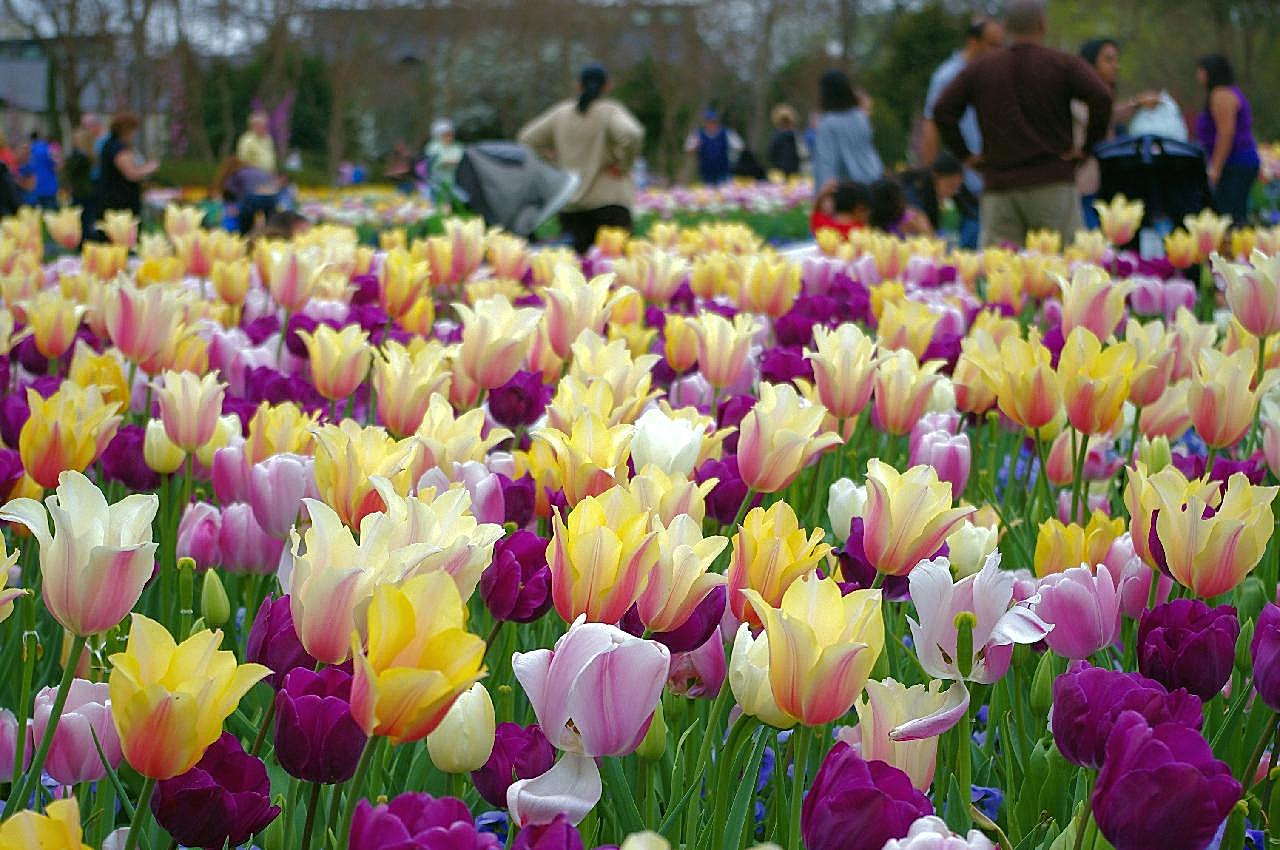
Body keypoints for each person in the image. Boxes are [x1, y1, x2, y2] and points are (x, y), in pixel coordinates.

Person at [933, 0, 1112, 247]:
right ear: (1042, 24)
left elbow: (943, 110)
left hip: (1000, 186)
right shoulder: (1062, 64)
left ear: (1005, 27)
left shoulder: (981, 69)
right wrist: (1086, 148)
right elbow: (1101, 96)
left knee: (1003, 273)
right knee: (1062, 268)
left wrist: (966, 155)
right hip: (1052, 182)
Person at [517, 61, 644, 254]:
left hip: (571, 204)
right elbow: (632, 134)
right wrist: (622, 164)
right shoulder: (609, 112)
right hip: (610, 201)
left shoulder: (561, 114)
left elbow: (526, 139)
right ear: (607, 85)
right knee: (616, 269)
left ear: (578, 85)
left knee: (579, 270)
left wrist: (553, 162)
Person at [1073, 39, 1167, 227]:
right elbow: (1099, 118)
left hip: (1109, 184)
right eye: (1109, 60)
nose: (1116, 66)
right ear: (1090, 64)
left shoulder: (1105, 95)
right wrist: (1136, 103)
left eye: (1116, 60)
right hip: (1085, 186)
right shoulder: (1077, 95)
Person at [1195, 54, 1259, 224]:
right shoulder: (1228, 92)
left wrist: (1215, 169)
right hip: (1240, 161)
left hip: (1235, 162)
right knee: (1235, 213)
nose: (1198, 76)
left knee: (1228, 215)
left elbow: (1226, 133)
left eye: (1201, 71)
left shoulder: (1221, 95)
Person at [812, 69, 884, 192]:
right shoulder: (860, 117)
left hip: (848, 190)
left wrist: (822, 193)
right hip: (874, 179)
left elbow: (826, 162)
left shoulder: (828, 124)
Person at [93, 112, 158, 221]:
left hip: (115, 199)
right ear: (126, 130)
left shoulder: (110, 144)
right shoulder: (117, 148)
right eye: (133, 131)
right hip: (119, 202)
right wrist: (150, 167)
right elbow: (131, 174)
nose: (134, 135)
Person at [900, 153, 974, 235]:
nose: (953, 191)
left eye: (957, 187)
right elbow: (911, 217)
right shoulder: (913, 194)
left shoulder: (953, 198)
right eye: (949, 185)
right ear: (935, 177)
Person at [213, 156, 285, 235]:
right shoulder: (255, 170)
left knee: (244, 226)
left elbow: (229, 192)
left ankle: (240, 237)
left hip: (253, 197)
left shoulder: (235, 173)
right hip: (272, 196)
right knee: (269, 224)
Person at [685, 109, 742, 186]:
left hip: (723, 170)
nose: (711, 124)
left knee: (725, 191)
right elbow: (688, 149)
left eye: (713, 122)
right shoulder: (698, 134)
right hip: (706, 171)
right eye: (708, 122)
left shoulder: (726, 132)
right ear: (705, 123)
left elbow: (739, 146)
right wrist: (695, 148)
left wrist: (732, 157)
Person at [20, 130, 59, 209]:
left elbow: (25, 169)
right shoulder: (46, 149)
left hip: (36, 189)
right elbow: (54, 165)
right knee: (51, 215)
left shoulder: (31, 151)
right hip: (49, 187)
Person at [426, 119, 464, 194]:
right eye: (446, 135)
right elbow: (431, 161)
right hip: (435, 179)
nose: (449, 137)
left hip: (452, 179)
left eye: (451, 134)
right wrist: (443, 162)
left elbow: (458, 159)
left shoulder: (456, 146)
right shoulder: (433, 146)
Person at [767, 104, 804, 177]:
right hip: (794, 173)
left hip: (779, 172)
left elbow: (771, 153)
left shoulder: (776, 136)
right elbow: (802, 153)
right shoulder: (796, 136)